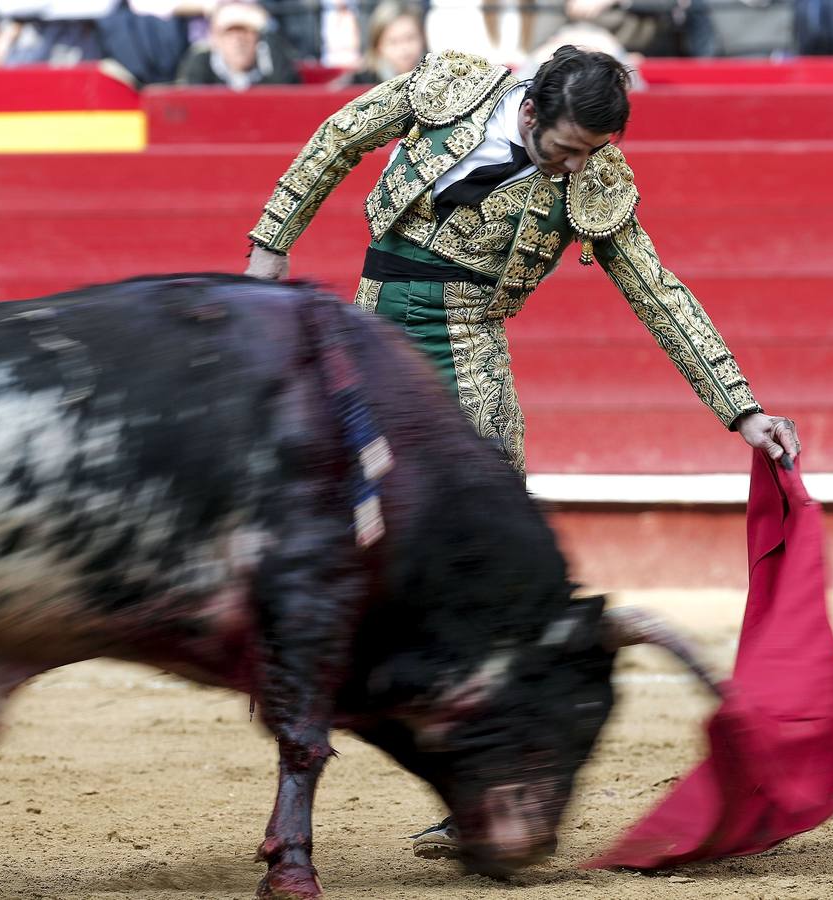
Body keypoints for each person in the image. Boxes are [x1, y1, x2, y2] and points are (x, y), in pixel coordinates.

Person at [245, 47, 800, 854]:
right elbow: (339, 135)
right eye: (569, 148)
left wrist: (741, 410)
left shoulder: (595, 181)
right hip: (367, 331)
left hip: (467, 348)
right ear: (532, 111)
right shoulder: (452, 90)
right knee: (320, 528)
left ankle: (474, 789)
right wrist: (272, 241)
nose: (578, 167)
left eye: (593, 153)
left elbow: (657, 292)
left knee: (486, 572)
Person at [175, 0, 300, 88]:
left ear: (258, 38)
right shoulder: (200, 67)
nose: (238, 40)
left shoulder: (271, 68)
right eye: (230, 32)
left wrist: (267, 31)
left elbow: (286, 88)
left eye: (246, 31)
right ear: (216, 39)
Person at [341, 0, 427, 85]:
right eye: (393, 42)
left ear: (422, 37)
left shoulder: (435, 78)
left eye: (410, 38)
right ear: (378, 46)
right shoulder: (359, 84)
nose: (404, 48)